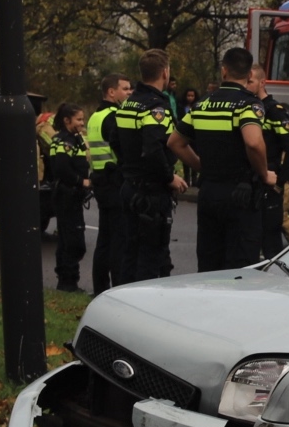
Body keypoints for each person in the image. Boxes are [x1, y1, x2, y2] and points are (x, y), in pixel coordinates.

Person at [170, 48, 274, 271]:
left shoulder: (202, 105)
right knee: (240, 267)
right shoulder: (248, 104)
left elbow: (175, 142)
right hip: (241, 195)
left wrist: (201, 166)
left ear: (224, 71)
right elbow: (254, 142)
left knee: (209, 263)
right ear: (248, 75)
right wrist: (265, 174)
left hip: (209, 193)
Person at [110, 49, 187, 282]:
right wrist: (168, 178)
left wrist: (130, 167)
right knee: (151, 256)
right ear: (165, 72)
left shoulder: (127, 104)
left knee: (130, 252)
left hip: (130, 187)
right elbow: (153, 148)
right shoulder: (157, 108)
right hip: (151, 193)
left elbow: (115, 140)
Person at [87, 72, 131, 294]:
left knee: (104, 240)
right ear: (111, 92)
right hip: (114, 183)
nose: (129, 93)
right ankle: (116, 290)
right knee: (118, 240)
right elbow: (121, 150)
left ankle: (100, 288)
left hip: (101, 181)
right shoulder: (114, 116)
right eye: (125, 89)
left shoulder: (95, 116)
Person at [253, 64, 289, 257]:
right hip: (255, 183)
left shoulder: (275, 111)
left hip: (272, 182)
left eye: (250, 81)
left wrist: (280, 182)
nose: (246, 85)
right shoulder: (249, 108)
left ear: (262, 82)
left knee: (273, 233)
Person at [46, 103, 90, 292]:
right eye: (79, 119)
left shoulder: (72, 138)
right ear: (66, 120)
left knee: (66, 240)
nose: (82, 123)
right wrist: (82, 182)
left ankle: (67, 281)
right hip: (67, 194)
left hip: (68, 195)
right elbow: (62, 168)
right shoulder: (65, 141)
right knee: (73, 241)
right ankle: (68, 282)